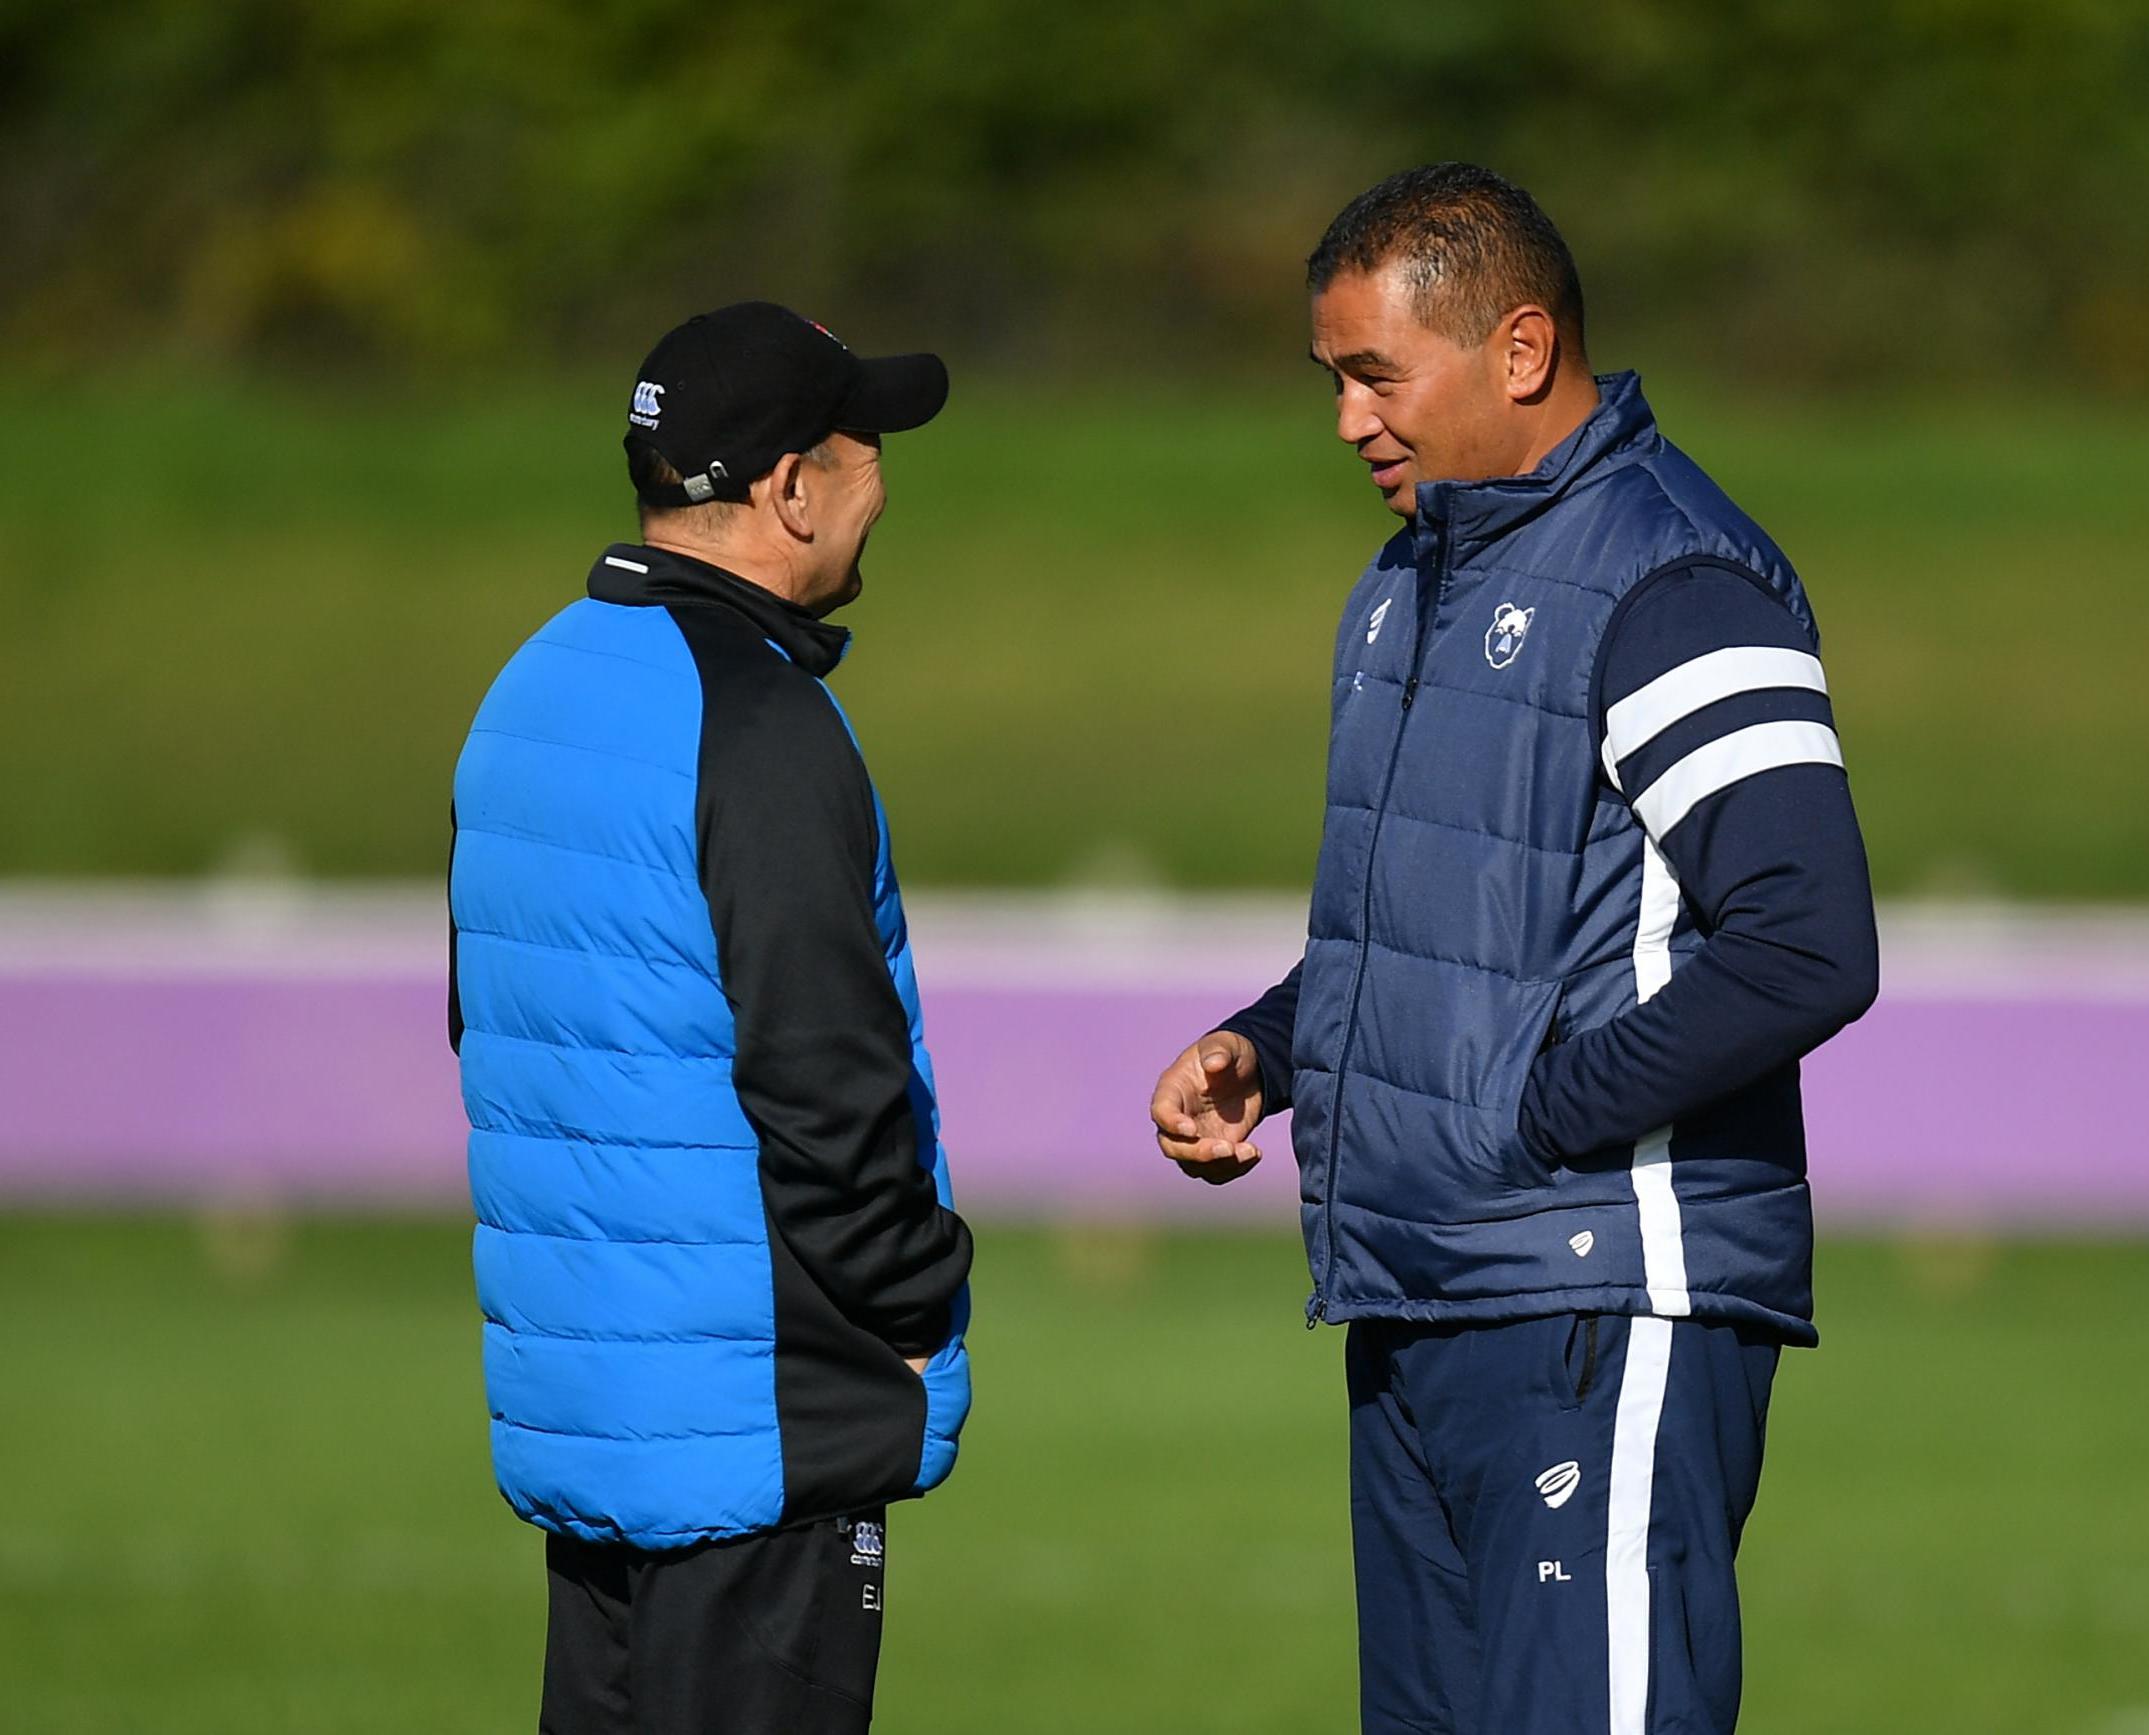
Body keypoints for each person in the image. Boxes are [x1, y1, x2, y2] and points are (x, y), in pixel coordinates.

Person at [1148, 164, 1877, 1735]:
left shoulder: (1674, 580)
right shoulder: (1404, 585)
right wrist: (1271, 1052)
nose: (1346, 421)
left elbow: (1806, 945)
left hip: (1590, 1301)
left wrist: (1526, 1120)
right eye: (1330, 379)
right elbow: (1444, 936)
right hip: (1415, 1296)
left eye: (1371, 376)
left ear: (1520, 350)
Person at [448, 301, 973, 1735]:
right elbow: (826, 1075)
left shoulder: (532, 686)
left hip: (600, 1403)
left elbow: (487, 1030)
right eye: (864, 443)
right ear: (790, 486)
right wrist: (913, 1306)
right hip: (763, 1421)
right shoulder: (754, 720)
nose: (880, 481)